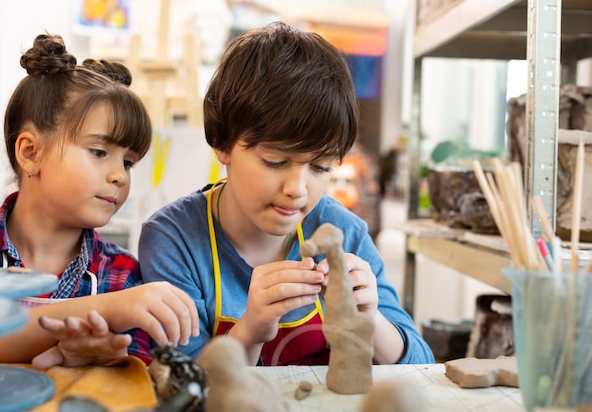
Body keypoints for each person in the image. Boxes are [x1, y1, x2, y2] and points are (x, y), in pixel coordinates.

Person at [138, 22, 434, 366]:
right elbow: (181, 385)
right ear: (222, 144)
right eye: (275, 161)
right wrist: (250, 331)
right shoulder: (175, 240)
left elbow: (421, 366)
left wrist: (369, 320)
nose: (297, 189)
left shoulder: (344, 232)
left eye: (321, 167)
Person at [0, 33, 198, 368]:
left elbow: (139, 375)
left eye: (128, 162)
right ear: (30, 153)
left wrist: (110, 357)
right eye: (99, 152)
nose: (120, 175)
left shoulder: (121, 275)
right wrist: (106, 309)